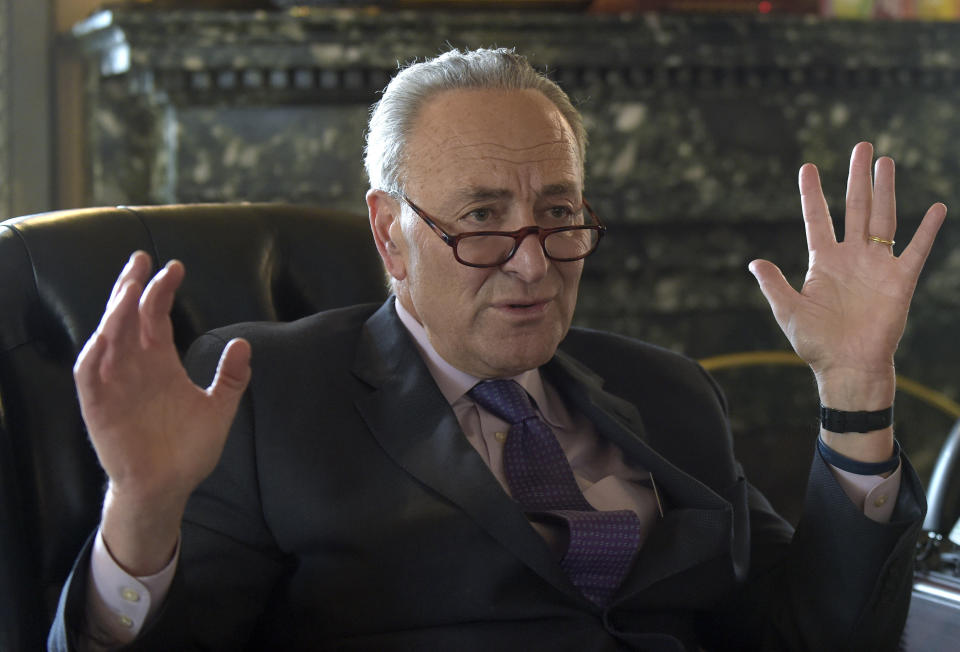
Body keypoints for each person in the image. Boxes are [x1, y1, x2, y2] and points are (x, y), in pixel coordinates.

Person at [49, 48, 945, 651]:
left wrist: (857, 392)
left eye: (557, 215)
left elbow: (820, 632)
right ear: (390, 235)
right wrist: (141, 513)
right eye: (481, 218)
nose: (531, 264)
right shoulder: (264, 392)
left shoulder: (665, 391)